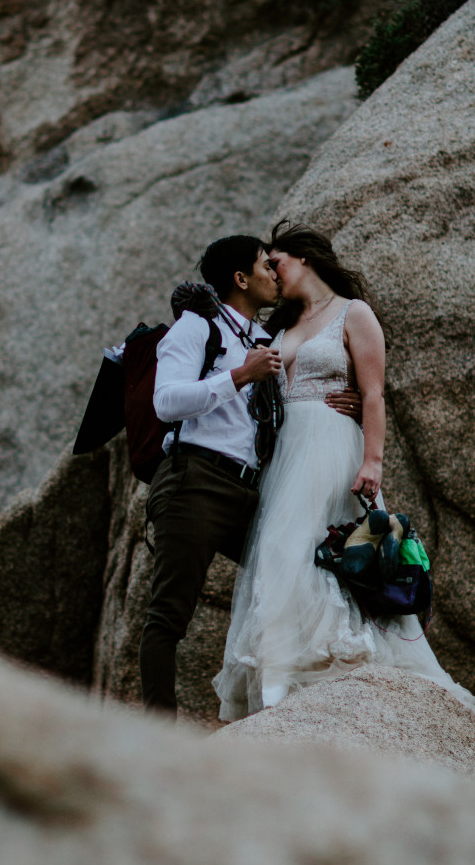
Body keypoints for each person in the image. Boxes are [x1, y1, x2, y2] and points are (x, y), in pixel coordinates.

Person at [214, 222, 475, 722]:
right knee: (280, 555)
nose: (272, 272)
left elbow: (376, 391)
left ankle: (348, 671)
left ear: (306, 259)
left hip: (332, 447)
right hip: (286, 455)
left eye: (278, 262)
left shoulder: (353, 313)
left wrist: (373, 461)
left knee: (332, 556)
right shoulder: (281, 327)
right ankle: (278, 683)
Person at [138, 233, 361, 714]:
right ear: (240, 279)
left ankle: (300, 700)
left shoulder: (264, 339)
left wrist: (350, 401)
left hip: (250, 490)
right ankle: (156, 731)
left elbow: (295, 395)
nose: (274, 275)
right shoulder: (198, 329)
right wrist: (239, 375)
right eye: (265, 266)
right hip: (194, 480)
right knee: (168, 615)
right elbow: (166, 401)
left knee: (304, 572)